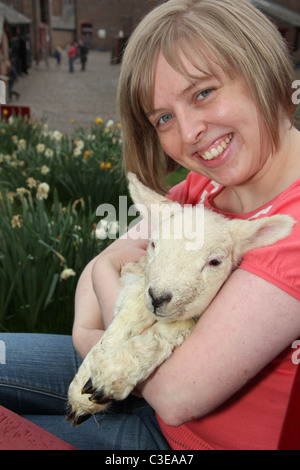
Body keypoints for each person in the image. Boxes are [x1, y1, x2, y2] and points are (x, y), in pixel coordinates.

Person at [0, 0, 300, 450]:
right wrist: (100, 310)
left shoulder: (289, 229)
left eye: (203, 92)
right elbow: (102, 263)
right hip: (131, 375)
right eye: (163, 117)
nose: (189, 131)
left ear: (261, 68)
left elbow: (178, 394)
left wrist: (90, 334)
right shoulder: (205, 187)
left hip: (183, 443)